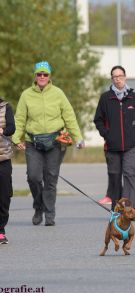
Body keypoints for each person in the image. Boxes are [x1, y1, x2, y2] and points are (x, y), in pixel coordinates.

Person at [12, 61, 84, 226]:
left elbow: (69, 116)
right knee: (34, 177)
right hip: (33, 142)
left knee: (51, 178)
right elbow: (20, 119)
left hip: (55, 142)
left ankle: (49, 214)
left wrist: (78, 137)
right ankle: (38, 207)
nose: (42, 77)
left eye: (45, 74)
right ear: (35, 76)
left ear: (49, 76)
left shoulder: (58, 93)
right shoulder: (26, 95)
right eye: (39, 74)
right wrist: (16, 138)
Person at [94, 65, 135, 219]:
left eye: (120, 76)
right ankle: (116, 211)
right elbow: (98, 120)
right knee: (115, 177)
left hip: (131, 145)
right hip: (112, 146)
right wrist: (106, 135)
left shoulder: (133, 98)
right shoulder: (105, 98)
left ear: (125, 77)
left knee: (129, 174)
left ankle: (131, 211)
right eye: (115, 77)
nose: (118, 79)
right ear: (112, 79)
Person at [0, 97, 15, 244]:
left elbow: (12, 127)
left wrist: (2, 130)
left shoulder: (5, 107)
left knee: (4, 196)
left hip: (3, 159)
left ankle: (1, 229)